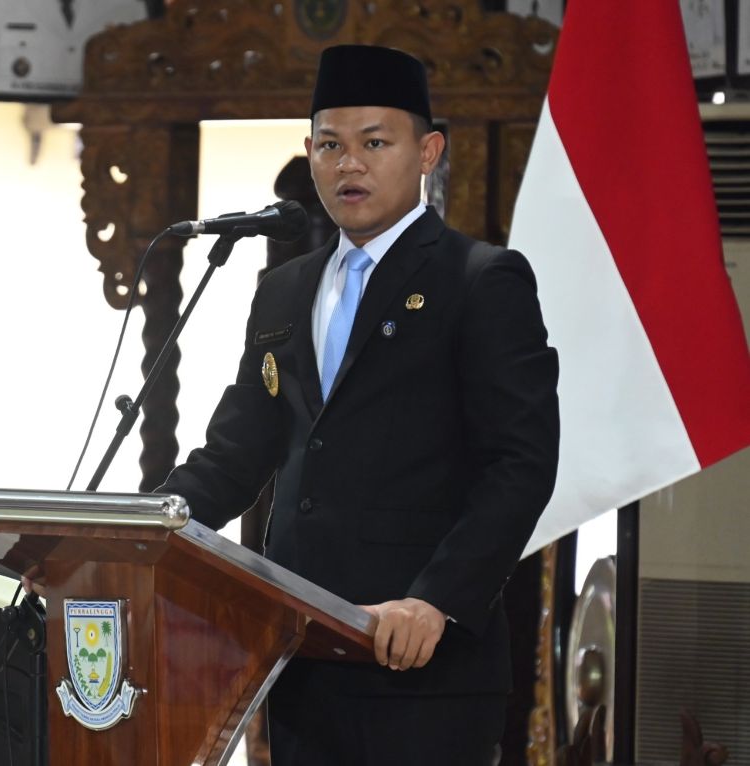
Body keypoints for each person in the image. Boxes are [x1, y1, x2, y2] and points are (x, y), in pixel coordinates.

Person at [165, 44, 560, 764]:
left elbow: (520, 464)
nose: (349, 164)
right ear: (309, 154)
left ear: (427, 152)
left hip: (421, 664)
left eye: (374, 143)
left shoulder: (480, 280)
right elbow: (235, 457)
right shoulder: (284, 290)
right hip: (302, 657)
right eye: (330, 145)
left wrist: (436, 599)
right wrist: (137, 530)